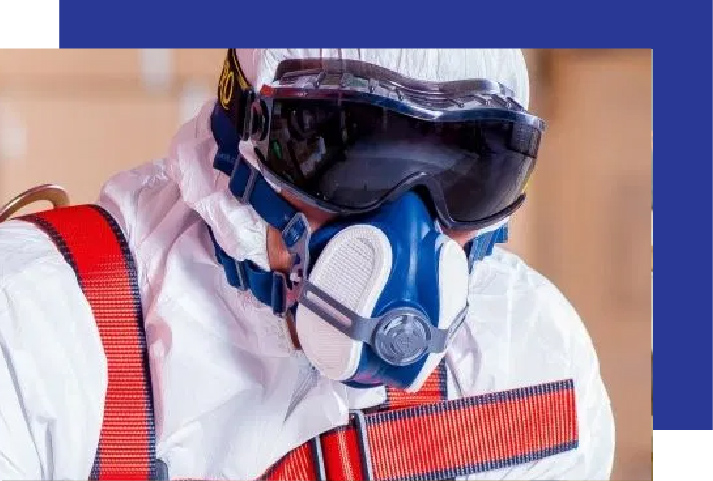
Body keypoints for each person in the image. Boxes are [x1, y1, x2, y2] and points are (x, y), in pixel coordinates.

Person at [0, 49, 615, 480]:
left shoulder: (520, 361)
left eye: (469, 176)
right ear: (241, 143)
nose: (407, 234)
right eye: (350, 161)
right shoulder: (36, 327)